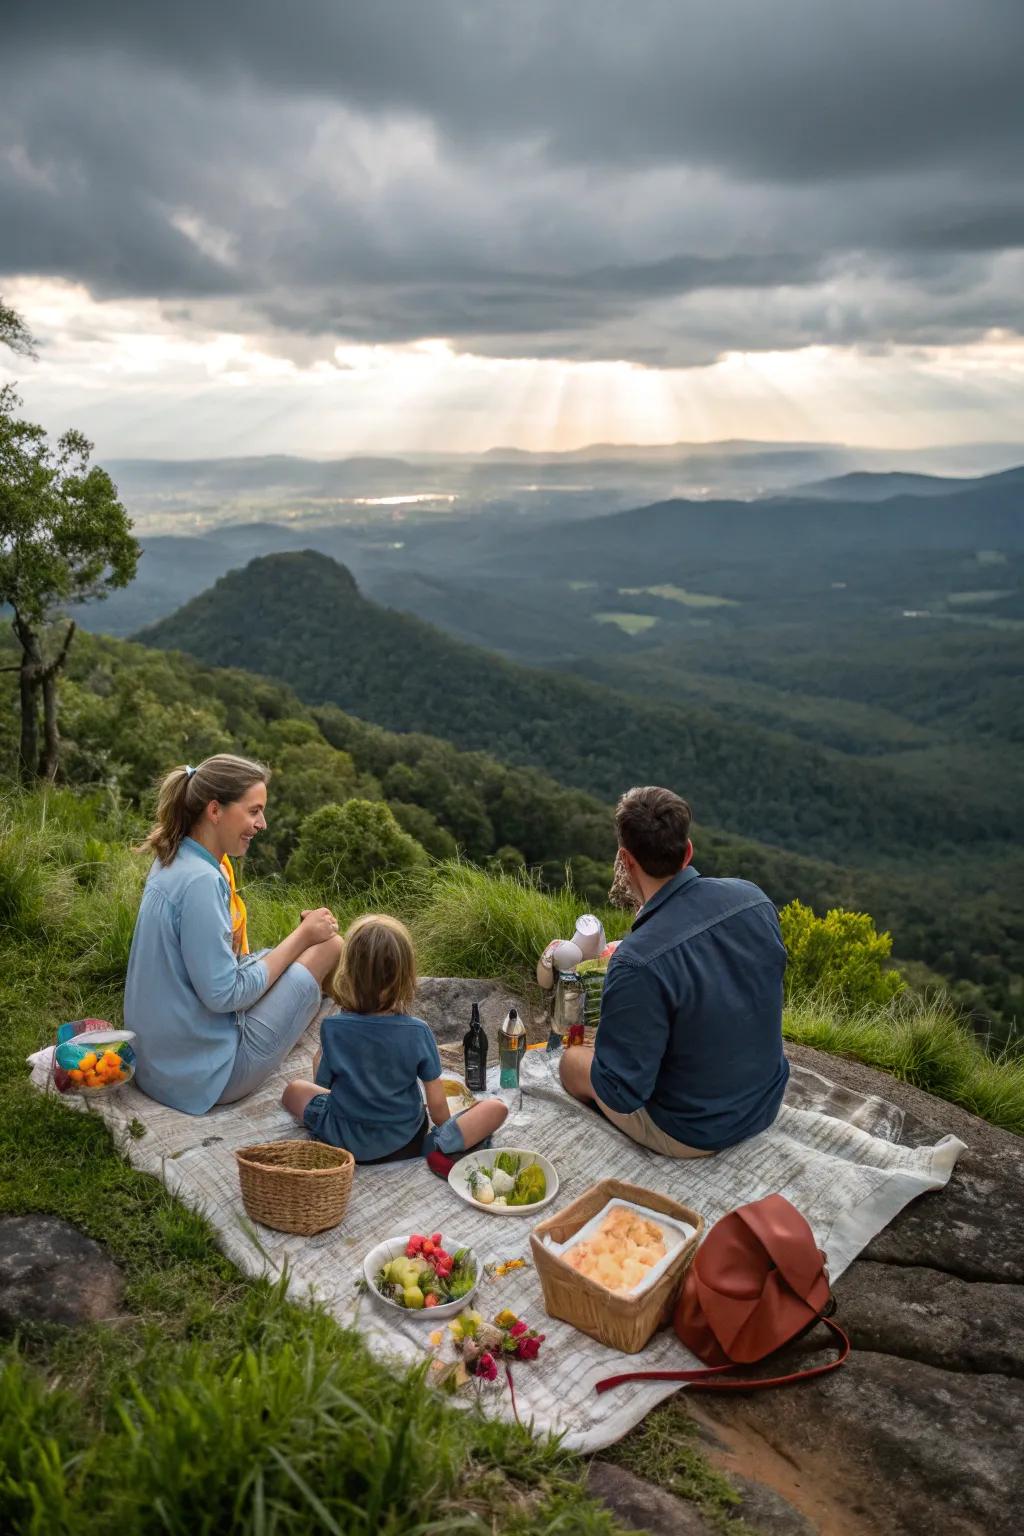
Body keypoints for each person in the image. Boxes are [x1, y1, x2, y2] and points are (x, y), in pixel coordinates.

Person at [560, 784, 789, 1157]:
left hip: (694, 1130)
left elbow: (622, 1092)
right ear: (688, 852)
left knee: (573, 1062)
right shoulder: (753, 899)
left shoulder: (636, 961)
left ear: (626, 860)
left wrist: (598, 1047)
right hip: (765, 1101)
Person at [125, 755, 342, 1114]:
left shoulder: (173, 857)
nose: (262, 824)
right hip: (206, 1077)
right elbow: (226, 994)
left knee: (284, 955)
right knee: (329, 946)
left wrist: (292, 943)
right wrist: (302, 937)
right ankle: (348, 1039)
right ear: (215, 810)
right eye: (254, 811)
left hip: (156, 1066)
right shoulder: (202, 881)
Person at [283, 914, 507, 1163]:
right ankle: (441, 1145)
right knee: (496, 1107)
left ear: (349, 974)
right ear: (405, 978)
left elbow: (323, 1086)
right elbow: (437, 1109)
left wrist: (324, 1055)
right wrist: (445, 1126)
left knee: (294, 1090)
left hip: (342, 1138)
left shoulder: (332, 1028)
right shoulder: (418, 1032)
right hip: (405, 1141)